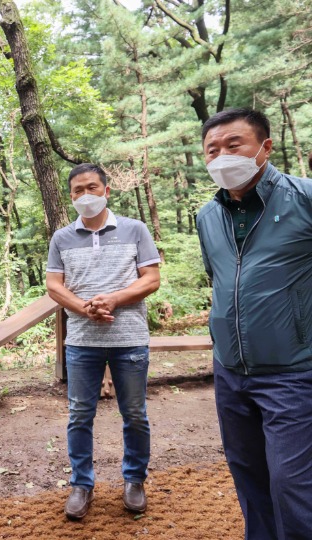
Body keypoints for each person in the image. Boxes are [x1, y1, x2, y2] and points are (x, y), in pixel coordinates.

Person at [196, 108, 312, 539]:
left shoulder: (304, 199)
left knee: (293, 487)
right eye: (212, 150)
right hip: (230, 372)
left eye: (233, 145)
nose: (222, 156)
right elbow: (221, 281)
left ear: (265, 147)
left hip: (294, 372)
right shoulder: (208, 216)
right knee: (249, 478)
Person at [45, 163, 160, 520]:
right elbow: (53, 285)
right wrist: (83, 307)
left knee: (135, 415)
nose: (85, 195)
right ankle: (81, 484)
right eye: (78, 190)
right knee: (79, 415)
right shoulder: (61, 237)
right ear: (71, 196)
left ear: (107, 190)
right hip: (81, 341)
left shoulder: (134, 229)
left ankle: (135, 480)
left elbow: (152, 278)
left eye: (92, 187)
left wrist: (112, 299)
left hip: (130, 338)